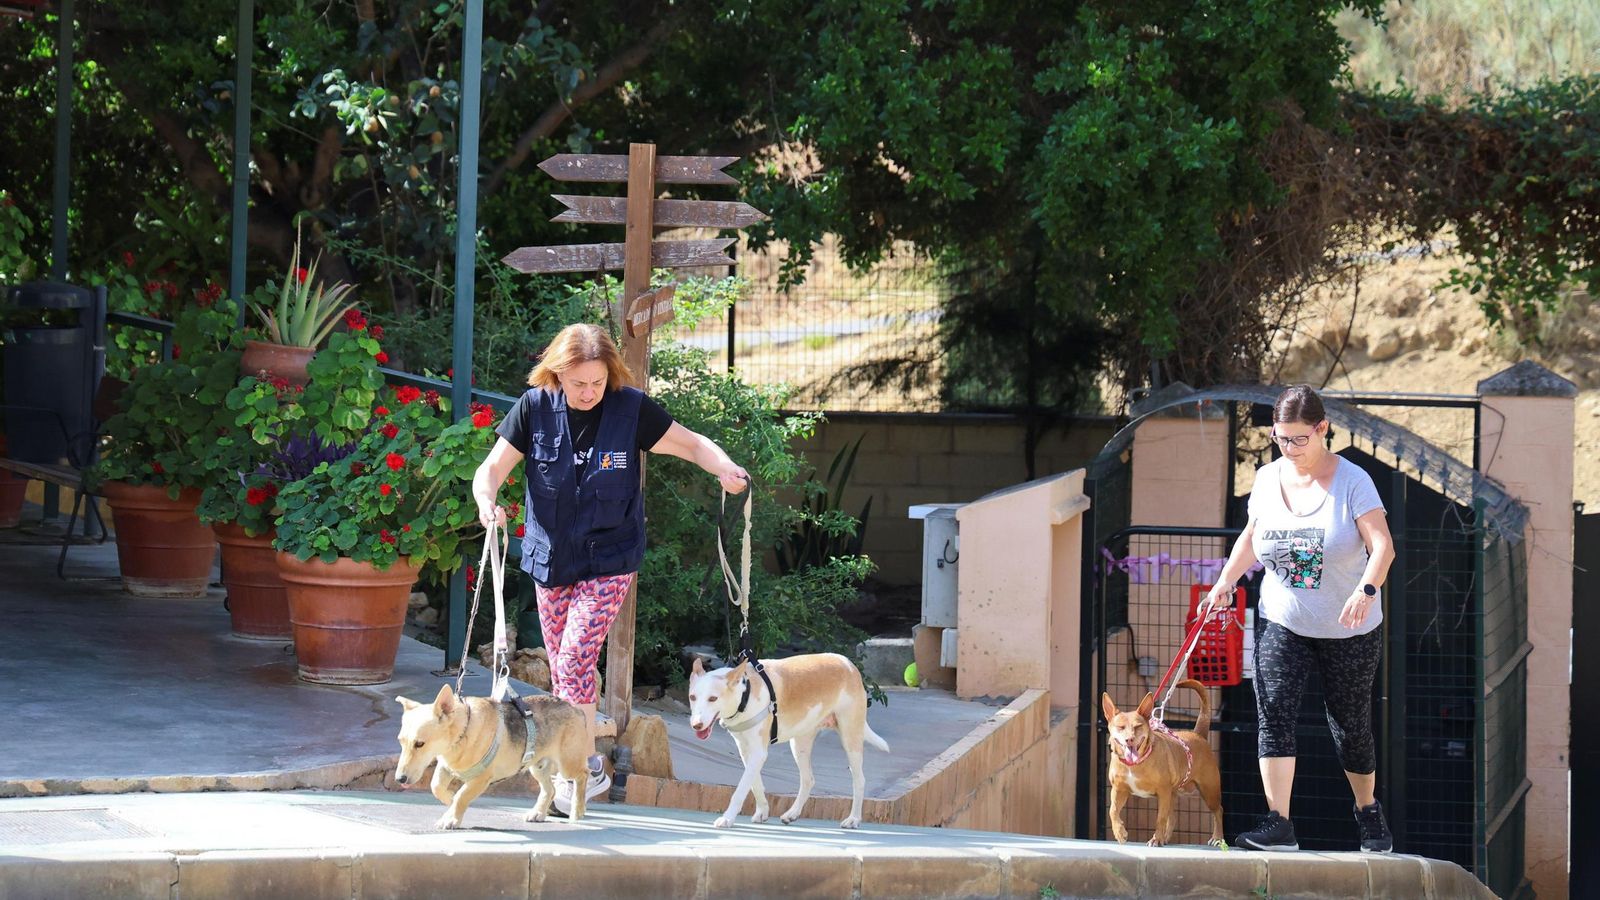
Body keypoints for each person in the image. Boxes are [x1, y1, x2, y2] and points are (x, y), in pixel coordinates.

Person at [473, 323, 748, 813]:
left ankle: (572, 770)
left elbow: (690, 444)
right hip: (552, 556)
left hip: (609, 559)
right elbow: (491, 469)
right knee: (563, 671)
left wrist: (723, 467)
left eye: (597, 383)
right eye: (578, 383)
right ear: (557, 374)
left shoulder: (630, 409)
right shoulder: (534, 408)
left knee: (576, 656)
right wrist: (486, 500)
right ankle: (590, 767)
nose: (589, 392)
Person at [1200, 384, 1396, 853]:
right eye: (1281, 439)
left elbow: (1383, 546)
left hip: (1348, 626)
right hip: (1282, 618)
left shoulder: (1353, 482)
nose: (1289, 449)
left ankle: (1368, 812)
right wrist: (1225, 581)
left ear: (1322, 428)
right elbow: (1252, 534)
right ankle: (1279, 823)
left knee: (1349, 726)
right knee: (1273, 712)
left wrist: (1367, 590)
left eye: (1298, 439)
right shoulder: (1269, 479)